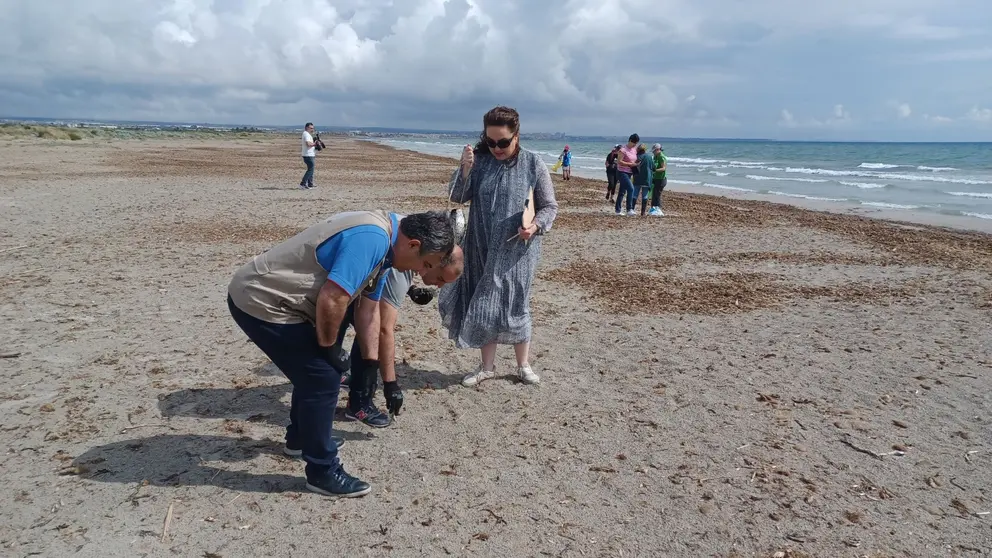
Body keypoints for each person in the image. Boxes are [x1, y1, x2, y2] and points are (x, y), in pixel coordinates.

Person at [226, 210, 455, 498]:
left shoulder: (388, 250)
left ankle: (300, 439)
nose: (422, 273)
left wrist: (370, 366)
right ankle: (322, 471)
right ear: (413, 244)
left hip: (281, 301)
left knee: (314, 373)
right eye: (425, 263)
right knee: (322, 376)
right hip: (261, 301)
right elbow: (333, 297)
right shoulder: (372, 239)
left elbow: (368, 312)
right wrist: (329, 348)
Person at [440, 105, 559, 387]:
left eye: (503, 142)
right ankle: (487, 367)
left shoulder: (533, 163)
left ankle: (523, 365)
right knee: (483, 302)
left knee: (516, 302)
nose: (497, 148)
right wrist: (465, 168)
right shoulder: (480, 161)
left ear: (516, 135)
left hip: (518, 248)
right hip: (480, 244)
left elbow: (550, 206)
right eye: (491, 142)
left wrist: (535, 226)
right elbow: (458, 195)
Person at [344, 245, 465, 428]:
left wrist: (411, 288)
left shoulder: (414, 250)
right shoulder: (405, 262)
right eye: (440, 278)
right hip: (333, 289)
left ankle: (351, 387)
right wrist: (390, 384)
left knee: (365, 330)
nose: (438, 286)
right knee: (370, 333)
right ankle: (358, 403)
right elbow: (384, 330)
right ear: (433, 261)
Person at [614, 134, 639, 216]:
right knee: (631, 189)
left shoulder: (634, 150)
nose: (635, 144)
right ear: (630, 140)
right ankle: (629, 209)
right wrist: (630, 164)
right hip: (621, 172)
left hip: (629, 172)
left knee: (622, 191)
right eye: (634, 142)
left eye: (636, 143)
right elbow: (619, 161)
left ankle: (617, 210)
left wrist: (636, 164)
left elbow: (634, 159)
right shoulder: (623, 150)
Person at [632, 144, 656, 217]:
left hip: (638, 178)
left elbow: (633, 165)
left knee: (635, 194)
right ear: (645, 150)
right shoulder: (649, 157)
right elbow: (654, 168)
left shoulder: (637, 157)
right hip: (647, 179)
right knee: (644, 195)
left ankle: (632, 209)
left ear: (638, 150)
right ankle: (643, 213)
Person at [649, 144, 667, 216]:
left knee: (657, 194)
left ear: (658, 150)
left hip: (661, 179)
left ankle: (658, 209)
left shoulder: (661, 157)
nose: (653, 153)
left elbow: (663, 168)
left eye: (654, 151)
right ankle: (653, 208)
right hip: (655, 178)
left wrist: (654, 170)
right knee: (654, 194)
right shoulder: (655, 157)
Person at [300, 123, 317, 189]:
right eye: (311, 128)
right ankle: (303, 184)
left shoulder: (307, 134)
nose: (312, 129)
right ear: (307, 128)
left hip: (310, 154)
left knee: (311, 169)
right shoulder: (306, 134)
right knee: (310, 170)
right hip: (308, 155)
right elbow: (308, 144)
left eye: (313, 128)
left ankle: (310, 184)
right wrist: (315, 144)